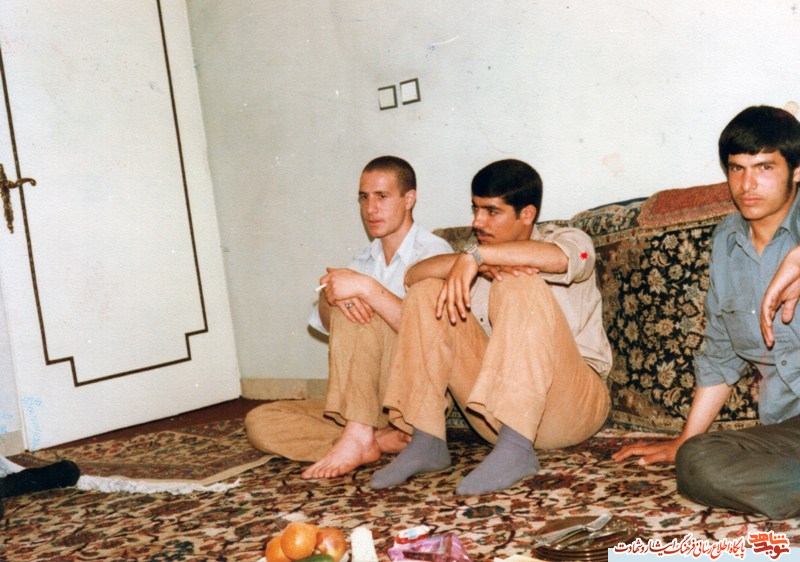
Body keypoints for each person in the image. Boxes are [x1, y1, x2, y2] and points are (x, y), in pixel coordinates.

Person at [369, 158, 612, 495]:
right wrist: (466, 260)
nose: (477, 221)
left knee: (517, 283)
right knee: (426, 292)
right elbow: (412, 277)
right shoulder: (472, 257)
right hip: (492, 417)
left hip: (572, 408)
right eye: (475, 209)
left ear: (527, 214)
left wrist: (478, 257)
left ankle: (516, 449)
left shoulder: (566, 239)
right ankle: (427, 440)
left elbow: (565, 259)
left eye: (491, 211)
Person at [612, 105, 800, 520]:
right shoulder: (726, 241)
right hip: (790, 430)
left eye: (765, 167)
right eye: (737, 169)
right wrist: (685, 439)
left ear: (797, 171)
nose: (747, 184)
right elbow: (720, 353)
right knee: (696, 460)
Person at [245, 156, 452, 479]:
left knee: (363, 312)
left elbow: (430, 333)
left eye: (382, 196)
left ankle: (358, 437)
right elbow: (329, 325)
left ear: (409, 198)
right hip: (364, 400)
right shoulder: (362, 260)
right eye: (364, 197)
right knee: (260, 422)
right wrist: (330, 297)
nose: (371, 208)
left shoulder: (434, 253)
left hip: (410, 396)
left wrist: (367, 290)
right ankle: (371, 439)